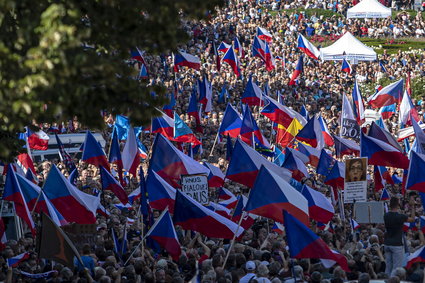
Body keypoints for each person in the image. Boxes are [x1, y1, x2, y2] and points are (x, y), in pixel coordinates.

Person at [383, 197, 415, 276]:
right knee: (396, 269)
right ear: (398, 205)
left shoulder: (385, 215)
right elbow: (413, 219)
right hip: (397, 245)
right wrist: (413, 206)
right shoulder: (401, 216)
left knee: (388, 267)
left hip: (387, 244)